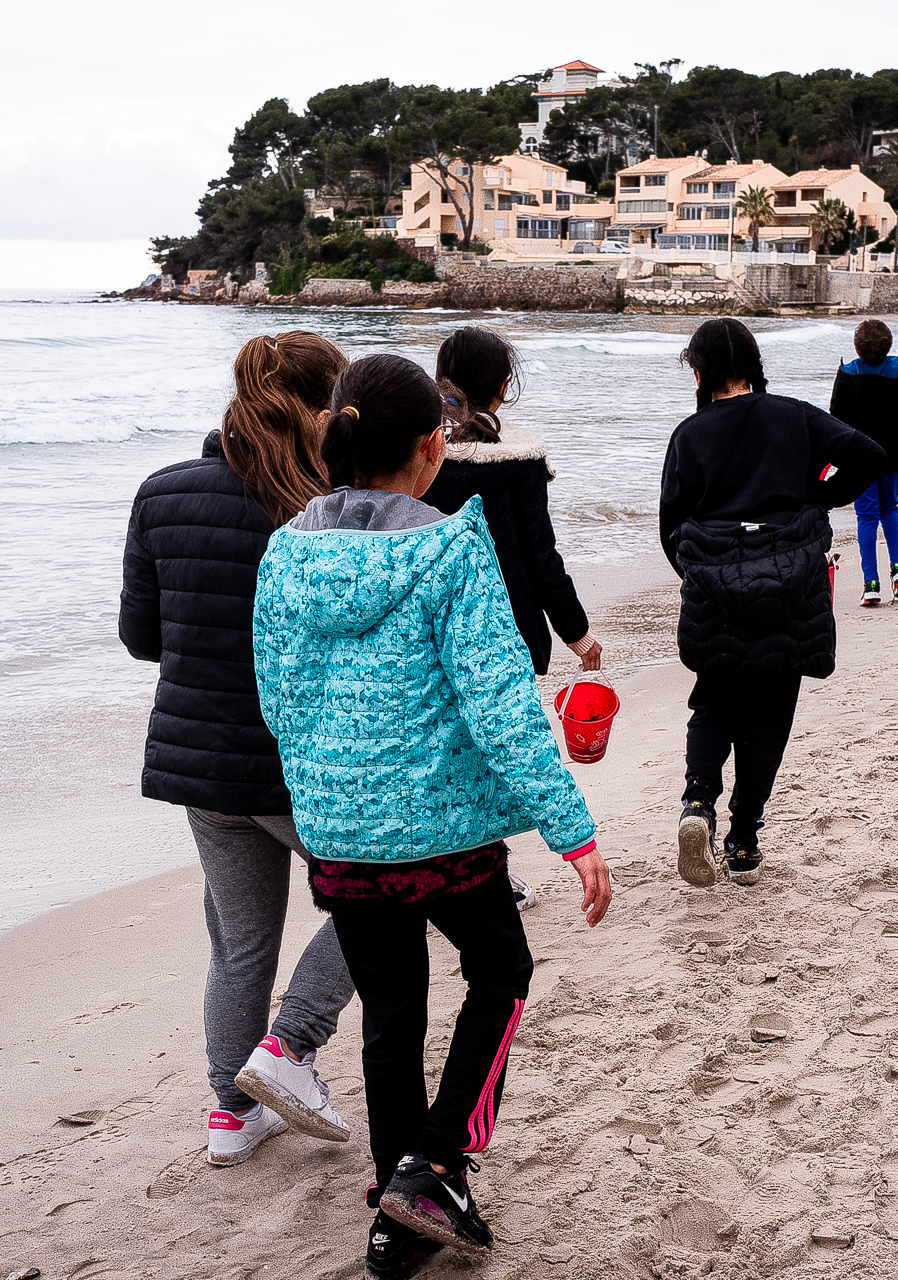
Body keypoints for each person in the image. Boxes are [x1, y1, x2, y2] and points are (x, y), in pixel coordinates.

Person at [253, 353, 611, 1279]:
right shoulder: (452, 548)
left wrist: (330, 787)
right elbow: (501, 703)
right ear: (431, 446)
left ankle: (397, 1209)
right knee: (501, 970)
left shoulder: (285, 552)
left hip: (339, 830)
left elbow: (277, 697)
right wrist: (571, 830)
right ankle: (437, 1164)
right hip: (443, 831)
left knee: (391, 1013)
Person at [119, 331, 359, 1168]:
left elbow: (141, 638)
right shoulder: (326, 504)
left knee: (240, 943)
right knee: (380, 900)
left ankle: (230, 1116)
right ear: (322, 407)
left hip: (201, 764)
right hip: (303, 762)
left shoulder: (162, 492)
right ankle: (288, 1045)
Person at [660, 319, 886, 888]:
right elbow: (871, 456)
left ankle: (697, 807)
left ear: (699, 371)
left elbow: (670, 526)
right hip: (791, 588)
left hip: (715, 592)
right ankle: (742, 842)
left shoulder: (690, 434)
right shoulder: (794, 415)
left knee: (713, 704)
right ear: (754, 365)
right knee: (769, 717)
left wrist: (702, 574)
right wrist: (815, 500)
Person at [422, 326, 601, 914]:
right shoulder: (519, 459)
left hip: (427, 630)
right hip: (508, 629)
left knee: (440, 750)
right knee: (496, 753)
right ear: (502, 388)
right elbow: (540, 556)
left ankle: (433, 871)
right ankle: (485, 876)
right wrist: (577, 633)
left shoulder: (420, 453)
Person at [829, 319, 898, 606]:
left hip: (859, 457)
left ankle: (870, 583)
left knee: (867, 516)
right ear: (888, 344)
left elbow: (835, 415)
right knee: (889, 508)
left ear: (857, 346)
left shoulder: (847, 373)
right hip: (892, 453)